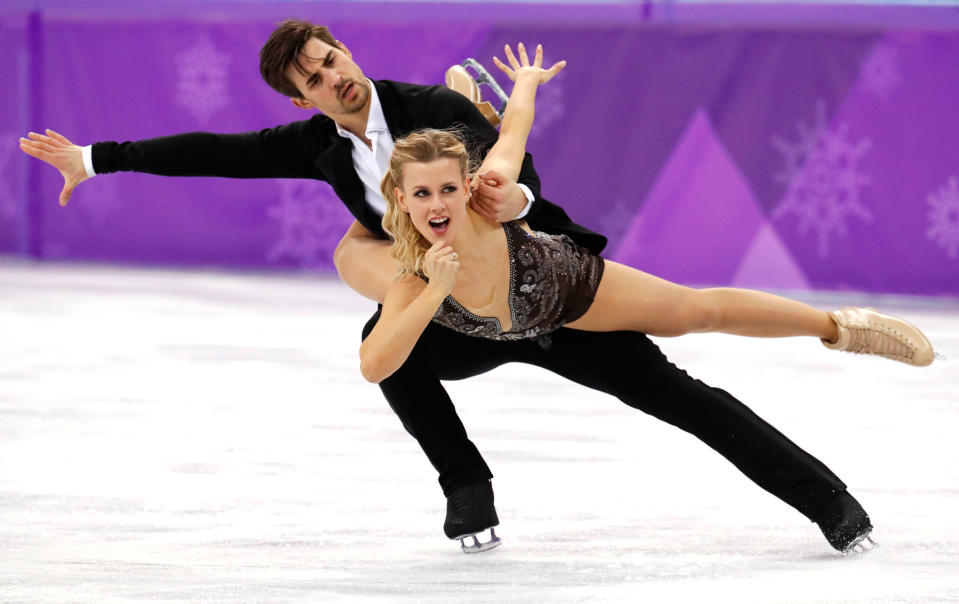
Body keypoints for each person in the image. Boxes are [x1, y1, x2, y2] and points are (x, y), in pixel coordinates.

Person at [17, 20, 889, 556]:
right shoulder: (316, 148)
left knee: (682, 397)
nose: (335, 77)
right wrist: (97, 160)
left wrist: (518, 195)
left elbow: (517, 169)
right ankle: (464, 483)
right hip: (460, 311)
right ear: (299, 100)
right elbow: (212, 153)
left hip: (544, 292)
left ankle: (831, 504)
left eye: (333, 58)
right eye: (314, 78)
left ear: (348, 50)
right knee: (386, 349)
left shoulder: (430, 104)